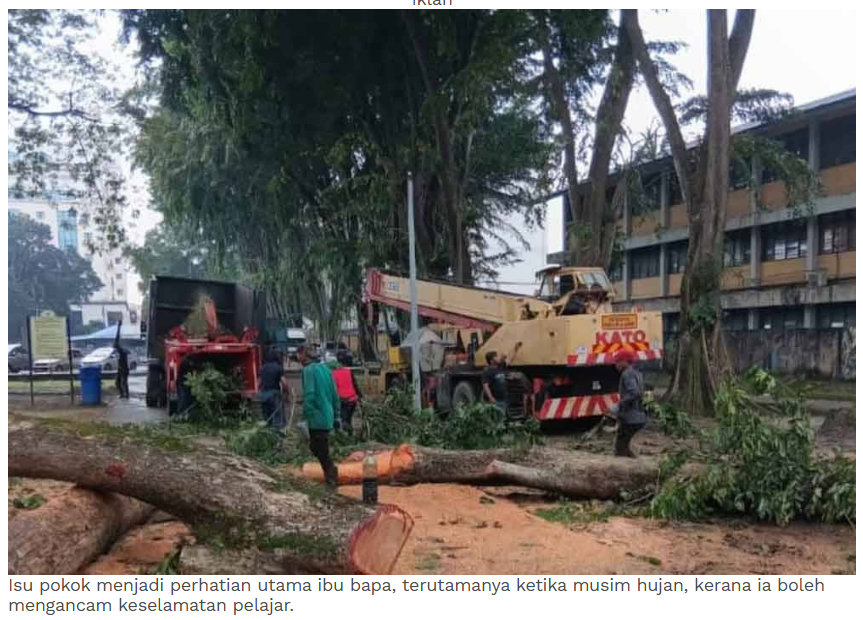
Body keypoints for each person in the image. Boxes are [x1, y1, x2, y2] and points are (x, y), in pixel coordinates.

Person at [297, 345, 340, 487]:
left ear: (305, 355)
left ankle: (332, 476)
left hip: (316, 417)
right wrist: (337, 415)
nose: (298, 357)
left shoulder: (308, 370)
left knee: (319, 449)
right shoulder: (326, 369)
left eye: (299, 354)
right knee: (319, 447)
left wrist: (305, 415)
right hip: (327, 415)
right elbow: (335, 394)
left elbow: (309, 393)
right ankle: (331, 474)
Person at [611, 349, 646, 458]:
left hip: (631, 417)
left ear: (624, 361)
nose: (615, 364)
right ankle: (629, 455)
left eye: (617, 361)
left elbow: (634, 393)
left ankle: (624, 462)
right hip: (639, 416)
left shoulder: (627, 374)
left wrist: (619, 405)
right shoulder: (637, 372)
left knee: (620, 445)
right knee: (623, 441)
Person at [259, 350, 289, 432]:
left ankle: (267, 437)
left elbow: (260, 382)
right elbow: (284, 383)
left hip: (263, 395)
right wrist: (286, 394)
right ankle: (278, 438)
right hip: (274, 394)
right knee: (278, 418)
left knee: (267, 418)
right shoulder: (278, 368)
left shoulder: (262, 368)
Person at [330, 361, 363, 435]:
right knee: (348, 419)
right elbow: (355, 384)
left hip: (343, 400)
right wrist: (360, 397)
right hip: (353, 400)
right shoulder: (348, 371)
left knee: (343, 420)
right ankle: (350, 434)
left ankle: (344, 434)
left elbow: (332, 390)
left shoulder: (332, 374)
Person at [481, 351, 509, 418]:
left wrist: (515, 349)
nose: (498, 357)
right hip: (495, 401)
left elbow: (509, 360)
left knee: (501, 419)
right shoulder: (487, 371)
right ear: (491, 361)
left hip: (502, 400)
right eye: (496, 357)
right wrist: (491, 398)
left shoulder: (500, 366)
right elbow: (485, 386)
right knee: (495, 420)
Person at [113, 322, 130, 399]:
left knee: (123, 382)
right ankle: (122, 394)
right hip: (120, 369)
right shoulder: (120, 351)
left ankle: (126, 395)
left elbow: (117, 338)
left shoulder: (121, 350)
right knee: (117, 382)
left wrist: (118, 327)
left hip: (124, 369)